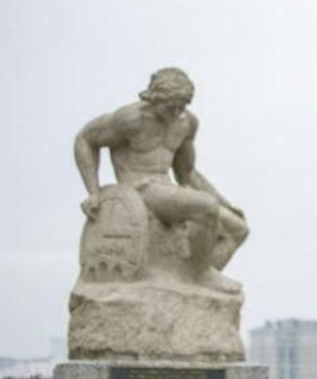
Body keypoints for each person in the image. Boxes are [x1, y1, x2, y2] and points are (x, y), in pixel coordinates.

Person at [74, 67, 249, 292]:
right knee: (206, 207)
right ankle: (201, 275)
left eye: (182, 106)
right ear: (155, 99)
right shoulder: (131, 119)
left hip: (166, 189)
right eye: (170, 106)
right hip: (139, 188)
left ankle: (187, 280)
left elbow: (187, 174)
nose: (176, 112)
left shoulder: (186, 123)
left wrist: (226, 204)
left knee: (237, 229)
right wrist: (93, 191)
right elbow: (85, 140)